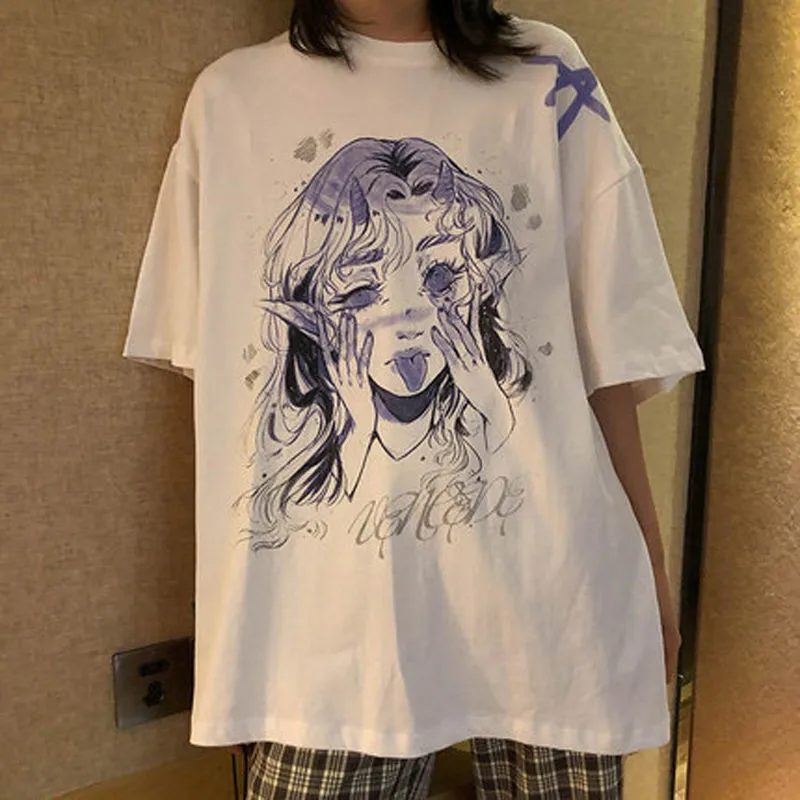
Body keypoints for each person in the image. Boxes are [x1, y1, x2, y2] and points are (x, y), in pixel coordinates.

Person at [123, 0, 705, 797]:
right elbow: (230, 412)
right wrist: (243, 647)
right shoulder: (231, 100)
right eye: (361, 287)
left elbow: (609, 363)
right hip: (329, 645)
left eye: (438, 275)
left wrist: (649, 578)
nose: (405, 315)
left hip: (556, 608)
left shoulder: (547, 74)